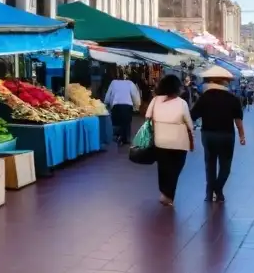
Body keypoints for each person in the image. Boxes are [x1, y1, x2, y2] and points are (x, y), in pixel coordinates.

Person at [191, 65, 246, 203]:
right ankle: (218, 189)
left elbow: (193, 115)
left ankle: (210, 194)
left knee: (210, 164)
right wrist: (242, 136)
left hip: (208, 135)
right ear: (224, 82)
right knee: (225, 166)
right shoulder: (233, 99)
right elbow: (238, 120)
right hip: (227, 135)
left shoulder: (204, 97)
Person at [147, 74, 195, 206]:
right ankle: (168, 195)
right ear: (177, 87)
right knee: (176, 168)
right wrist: (192, 139)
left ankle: (164, 193)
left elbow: (147, 117)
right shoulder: (182, 103)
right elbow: (189, 124)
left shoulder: (155, 100)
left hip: (160, 140)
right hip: (179, 142)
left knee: (163, 168)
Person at [104, 65, 140, 146]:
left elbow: (108, 95)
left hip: (116, 106)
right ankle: (125, 139)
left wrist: (106, 103)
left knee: (117, 123)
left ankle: (117, 137)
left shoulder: (113, 82)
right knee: (126, 123)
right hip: (127, 106)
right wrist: (136, 106)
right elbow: (135, 96)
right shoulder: (130, 83)